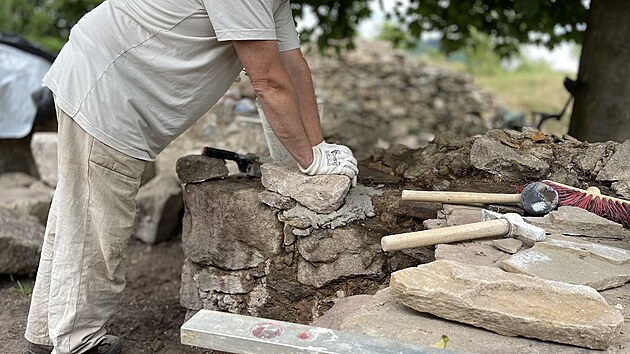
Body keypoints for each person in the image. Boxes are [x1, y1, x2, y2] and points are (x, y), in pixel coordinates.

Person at [23, 1, 359, 353]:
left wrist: (319, 150)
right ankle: (78, 344)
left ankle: (46, 337)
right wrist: (310, 160)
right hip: (108, 88)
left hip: (107, 75)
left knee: (76, 212)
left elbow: (291, 67)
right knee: (97, 222)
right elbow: (269, 83)